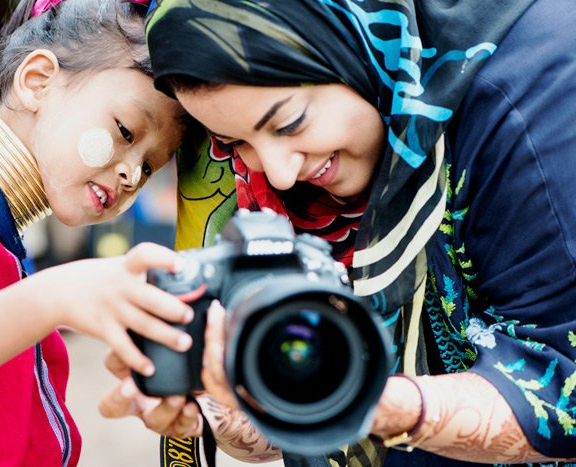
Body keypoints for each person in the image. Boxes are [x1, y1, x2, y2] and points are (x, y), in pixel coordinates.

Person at [99, 0, 576, 466]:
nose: (280, 174)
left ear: (350, 42)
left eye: (288, 123)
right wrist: (221, 390)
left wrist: (358, 400)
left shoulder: (531, 101)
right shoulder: (282, 178)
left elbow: (564, 395)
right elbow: (271, 432)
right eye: (236, 142)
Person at [0, 0, 199, 464]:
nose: (131, 173)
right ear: (37, 81)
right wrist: (56, 295)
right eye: (127, 131)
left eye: (149, 167)